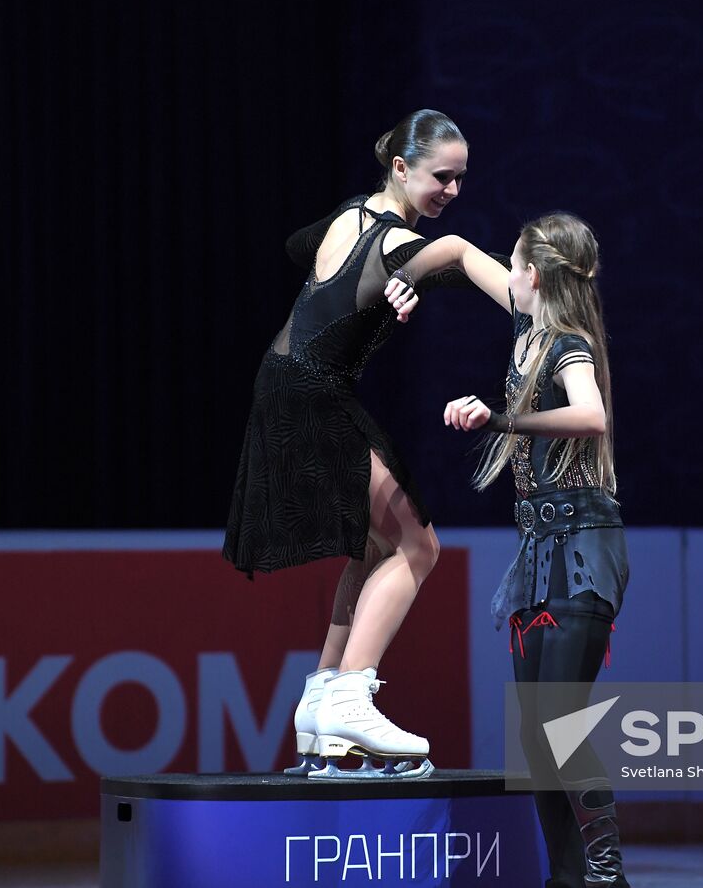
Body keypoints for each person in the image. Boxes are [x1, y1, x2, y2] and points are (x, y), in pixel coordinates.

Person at [225, 110, 508, 781]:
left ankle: (323, 702)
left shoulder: (352, 215)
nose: (453, 191)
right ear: (402, 168)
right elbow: (468, 258)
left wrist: (387, 283)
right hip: (312, 391)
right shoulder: (400, 242)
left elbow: (304, 248)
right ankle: (352, 695)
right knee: (417, 546)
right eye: (442, 177)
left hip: (285, 385)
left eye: (462, 179)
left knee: (376, 545)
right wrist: (544, 309)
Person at [389, 213, 631, 887]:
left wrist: (500, 418)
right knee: (535, 738)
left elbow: (592, 415)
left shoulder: (567, 345)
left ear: (531, 275)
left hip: (582, 544)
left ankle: (607, 874)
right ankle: (567, 876)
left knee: (558, 723)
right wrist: (406, 278)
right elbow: (460, 251)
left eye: (514, 263)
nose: (506, 270)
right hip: (536, 550)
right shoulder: (528, 325)